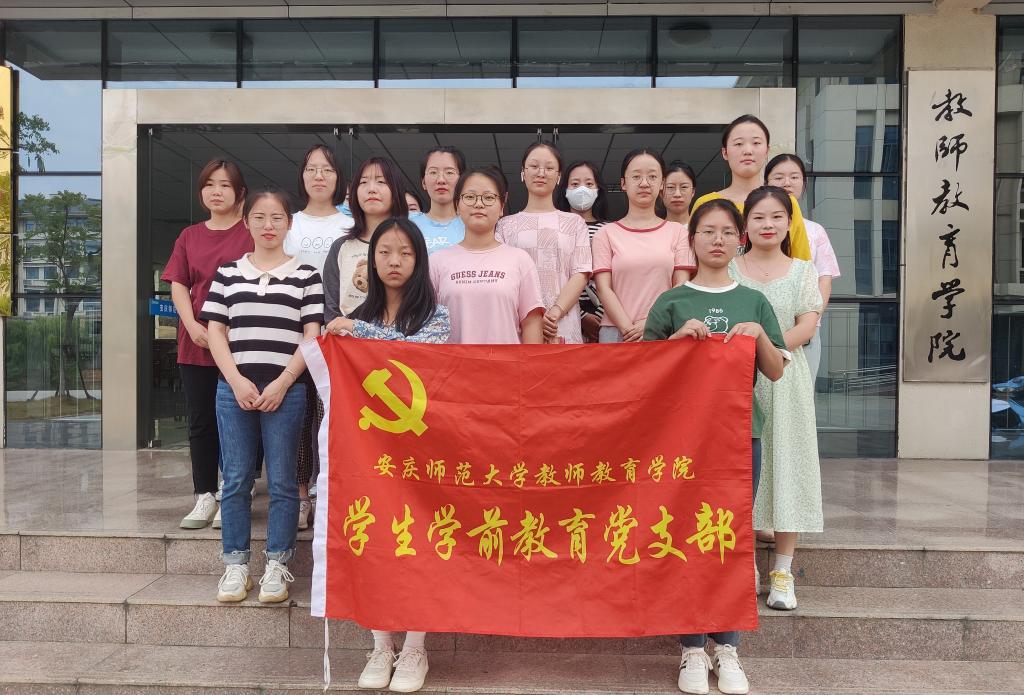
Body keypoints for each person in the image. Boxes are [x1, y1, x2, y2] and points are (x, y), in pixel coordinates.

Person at [644, 197, 788, 695]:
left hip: (740, 437)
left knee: (729, 538)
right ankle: (690, 648)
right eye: (708, 231)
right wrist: (676, 343)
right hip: (681, 441)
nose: (718, 239)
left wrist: (758, 336)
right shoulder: (671, 302)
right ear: (692, 239)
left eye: (727, 231)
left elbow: (775, 369)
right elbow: (641, 373)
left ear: (740, 240)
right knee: (685, 535)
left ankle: (727, 647)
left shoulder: (754, 301)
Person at [323, 217, 449, 693]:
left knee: (420, 545)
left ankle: (415, 647)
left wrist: (359, 333)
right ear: (371, 260)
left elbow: (421, 356)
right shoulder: (358, 316)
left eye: (405, 253)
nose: (394, 261)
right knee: (374, 543)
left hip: (421, 458)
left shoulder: (436, 317)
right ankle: (381, 644)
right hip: (371, 460)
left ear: (419, 261)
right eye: (385, 252)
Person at [200, 188, 324, 604]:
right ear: (247, 222)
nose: (268, 225)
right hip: (233, 390)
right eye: (259, 217)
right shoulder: (228, 273)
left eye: (277, 218)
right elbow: (216, 331)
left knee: (285, 482)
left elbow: (312, 335)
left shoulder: (306, 275)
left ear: (289, 223)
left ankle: (277, 564)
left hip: (286, 391)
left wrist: (284, 382)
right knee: (236, 480)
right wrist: (235, 380)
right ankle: (236, 565)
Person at [729, 186, 824, 613]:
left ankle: (783, 571)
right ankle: (744, 565)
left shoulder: (803, 270)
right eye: (758, 217)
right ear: (745, 225)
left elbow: (807, 325)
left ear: (789, 223)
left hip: (786, 378)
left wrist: (767, 348)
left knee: (787, 464)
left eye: (776, 217)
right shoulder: (730, 268)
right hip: (737, 381)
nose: (767, 225)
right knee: (742, 471)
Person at [164, 158, 253, 530]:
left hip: (241, 342)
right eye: (209, 184)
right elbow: (179, 284)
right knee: (201, 420)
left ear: (240, 193)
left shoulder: (250, 233)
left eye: (225, 185)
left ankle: (236, 490)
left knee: (240, 419)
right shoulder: (189, 236)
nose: (216, 191)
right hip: (197, 342)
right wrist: (192, 324)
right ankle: (204, 494)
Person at [284, 145, 354, 530]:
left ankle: (330, 494)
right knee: (300, 417)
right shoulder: (289, 224)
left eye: (327, 169)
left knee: (333, 421)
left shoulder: (349, 227)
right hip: (292, 336)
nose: (319, 176)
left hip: (338, 340)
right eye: (312, 169)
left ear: (338, 177)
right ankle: (300, 496)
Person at [430, 166, 545, 344]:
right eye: (470, 197)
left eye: (489, 197)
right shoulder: (437, 261)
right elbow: (428, 325)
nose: (479, 204)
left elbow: (531, 323)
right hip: (454, 362)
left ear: (502, 206)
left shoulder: (520, 260)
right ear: (457, 205)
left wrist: (531, 362)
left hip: (507, 361)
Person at [592, 148, 695, 343]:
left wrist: (650, 323)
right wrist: (627, 329)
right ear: (623, 183)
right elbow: (603, 288)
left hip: (662, 330)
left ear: (662, 183)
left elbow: (680, 286)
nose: (644, 183)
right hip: (616, 332)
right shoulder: (605, 234)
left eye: (652, 176)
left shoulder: (678, 233)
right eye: (636, 176)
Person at [496, 142, 592, 343]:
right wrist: (532, 317)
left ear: (558, 176)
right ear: (523, 173)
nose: (541, 173)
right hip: (519, 322)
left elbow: (581, 273)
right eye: (534, 166)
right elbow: (503, 279)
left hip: (562, 323)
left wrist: (555, 312)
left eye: (549, 168)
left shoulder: (575, 223)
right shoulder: (505, 225)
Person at [691, 115, 811, 262]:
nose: (748, 150)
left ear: (767, 151)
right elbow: (692, 261)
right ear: (725, 152)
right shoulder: (705, 204)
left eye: (756, 143)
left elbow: (802, 264)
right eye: (738, 144)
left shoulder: (787, 202)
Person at [765, 153, 840, 383]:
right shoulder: (758, 226)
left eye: (794, 177)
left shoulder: (815, 231)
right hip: (764, 327)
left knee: (803, 392)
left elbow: (824, 279)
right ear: (766, 183)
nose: (787, 183)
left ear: (804, 183)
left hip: (805, 329)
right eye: (779, 177)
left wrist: (811, 320)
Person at [323, 157, 409, 321]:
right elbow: (331, 309)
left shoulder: (410, 245)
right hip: (346, 335)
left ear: (396, 191)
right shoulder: (341, 247)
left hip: (396, 335)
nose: (371, 189)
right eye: (363, 182)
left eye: (381, 182)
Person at [555, 160, 608, 342]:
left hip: (605, 316)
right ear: (565, 189)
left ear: (598, 189)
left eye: (589, 184)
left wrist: (600, 315)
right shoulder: (555, 231)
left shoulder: (609, 230)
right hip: (564, 314)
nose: (582, 189)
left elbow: (616, 278)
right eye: (575, 184)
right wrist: (582, 316)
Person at [409, 146, 467, 254]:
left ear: (462, 181)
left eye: (449, 172)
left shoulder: (471, 224)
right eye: (433, 172)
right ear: (423, 182)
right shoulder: (409, 223)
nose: (441, 180)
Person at [661, 160, 697, 228]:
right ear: (661, 192)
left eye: (684, 187)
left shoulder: (701, 229)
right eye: (670, 187)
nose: (677, 194)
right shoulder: (653, 230)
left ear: (693, 192)